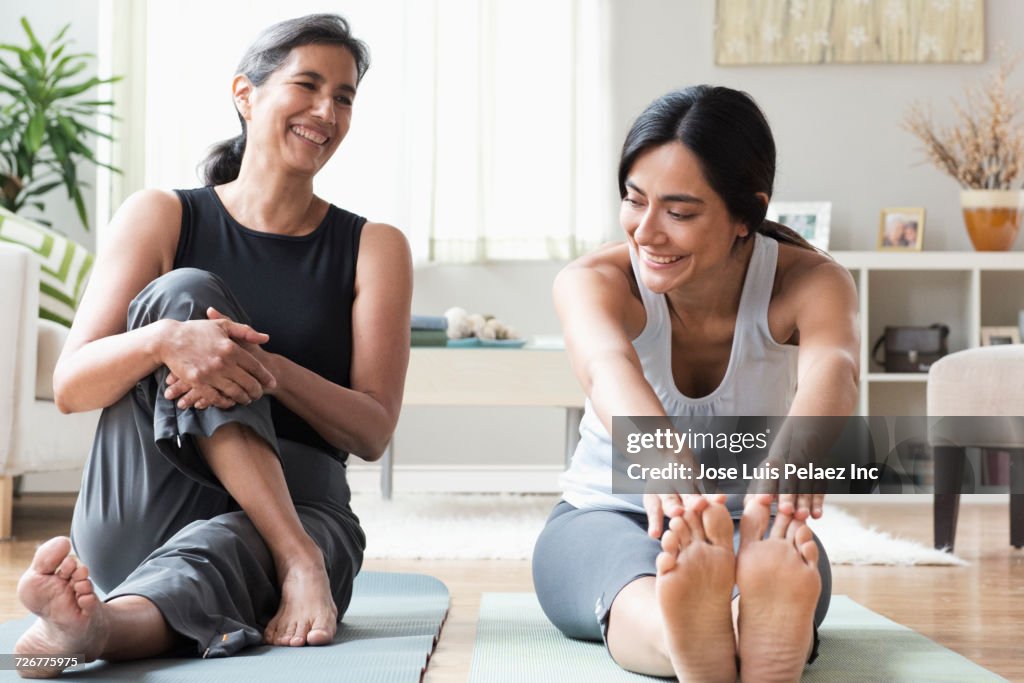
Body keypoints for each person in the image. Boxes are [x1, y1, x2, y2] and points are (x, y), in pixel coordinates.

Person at [14, 14, 412, 676]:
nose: (327, 110)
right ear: (245, 94)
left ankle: (93, 627)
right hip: (151, 495)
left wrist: (265, 367)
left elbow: (372, 430)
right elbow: (72, 385)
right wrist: (169, 340)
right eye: (308, 85)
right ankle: (295, 556)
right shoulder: (163, 215)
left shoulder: (374, 247)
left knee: (228, 545)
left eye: (344, 97)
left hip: (306, 504)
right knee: (185, 293)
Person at [533, 85, 859, 682]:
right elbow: (606, 364)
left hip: (756, 529)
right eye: (634, 201)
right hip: (607, 514)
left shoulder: (809, 281)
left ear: (746, 215)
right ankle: (701, 637)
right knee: (631, 583)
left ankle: (734, 628)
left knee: (780, 570)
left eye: (680, 213)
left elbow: (835, 367)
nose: (647, 232)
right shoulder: (595, 280)